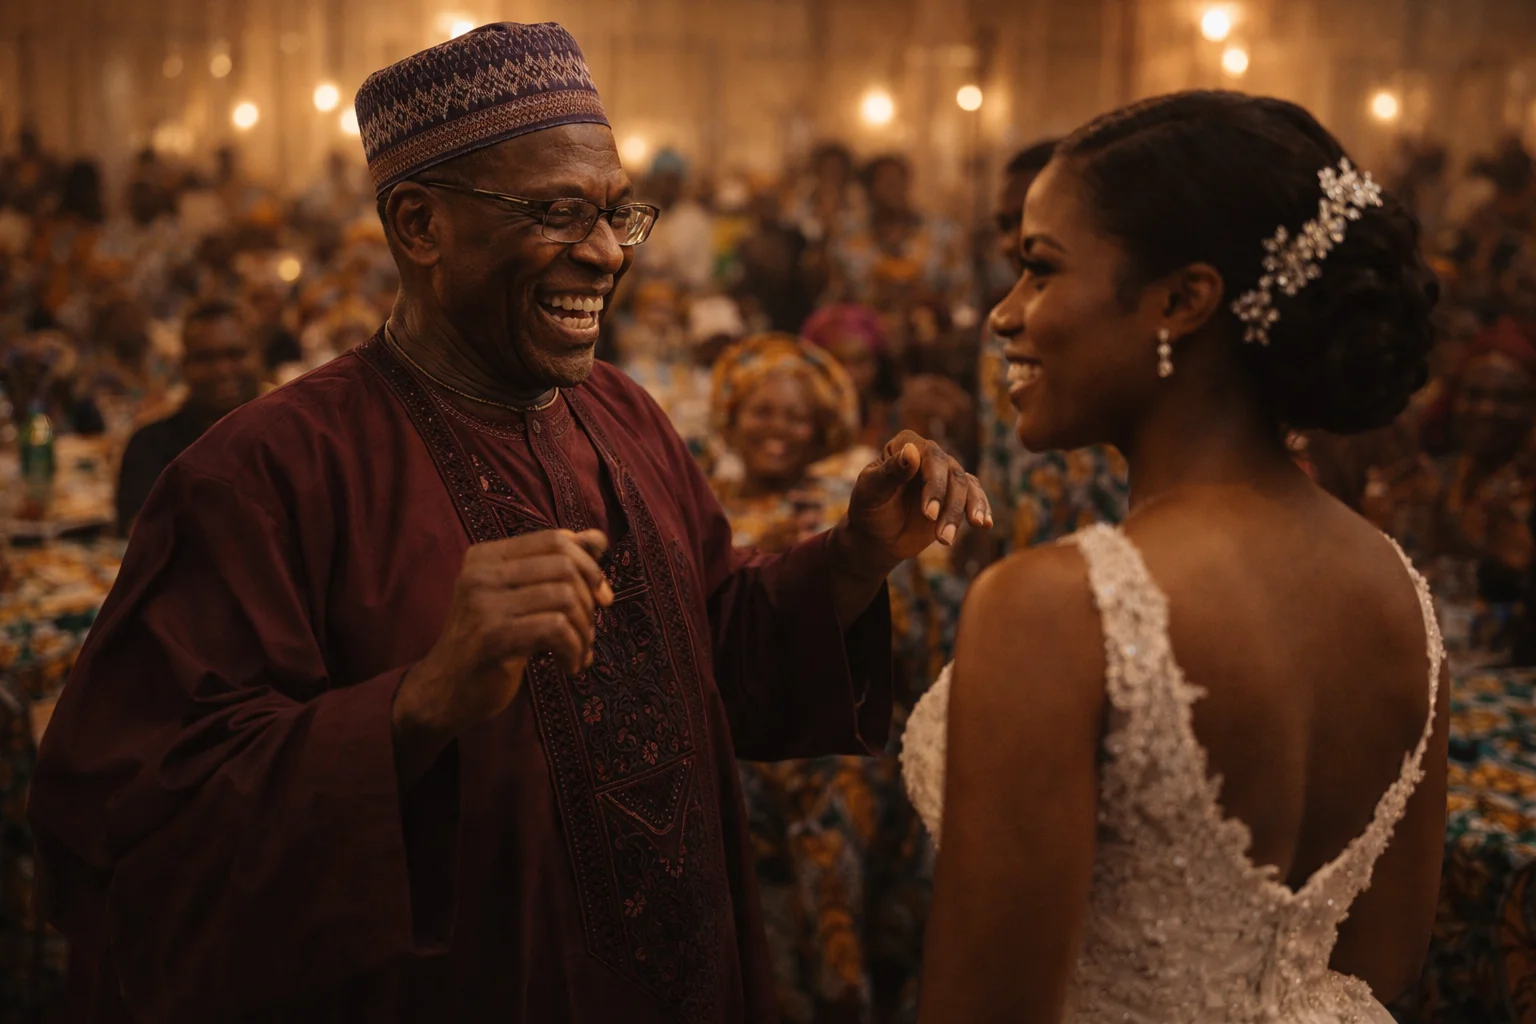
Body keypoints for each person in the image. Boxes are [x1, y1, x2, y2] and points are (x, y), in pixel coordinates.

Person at [29, 23, 989, 1024]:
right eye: (560, 212)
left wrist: (852, 561)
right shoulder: (264, 475)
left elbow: (711, 646)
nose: (607, 253)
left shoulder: (621, 413)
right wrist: (419, 702)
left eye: (617, 213)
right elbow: (136, 828)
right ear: (419, 225)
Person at [902, 91, 1447, 1022]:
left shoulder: (1055, 609)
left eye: (1041, 269)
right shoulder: (1401, 595)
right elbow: (1379, 965)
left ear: (1183, 300)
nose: (1004, 314)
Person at [706, 334, 917, 1023]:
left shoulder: (844, 503)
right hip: (730, 729)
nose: (778, 429)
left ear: (822, 426)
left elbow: (900, 624)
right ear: (732, 416)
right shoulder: (702, 502)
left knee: (832, 802)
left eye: (797, 416)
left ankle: (841, 987)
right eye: (762, 411)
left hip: (829, 733)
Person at [977, 140, 1128, 560]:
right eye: (1004, 225)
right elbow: (997, 447)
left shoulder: (1117, 327)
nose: (1011, 242)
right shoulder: (999, 327)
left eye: (1025, 220)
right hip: (1029, 547)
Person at [114, 299, 261, 534]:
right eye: (205, 358)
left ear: (258, 357)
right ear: (183, 366)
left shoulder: (289, 438)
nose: (222, 370)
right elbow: (141, 537)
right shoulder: (149, 445)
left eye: (235, 354)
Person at [801, 302, 901, 450]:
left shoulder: (893, 418)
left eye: (861, 361)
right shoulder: (807, 423)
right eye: (840, 362)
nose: (852, 374)